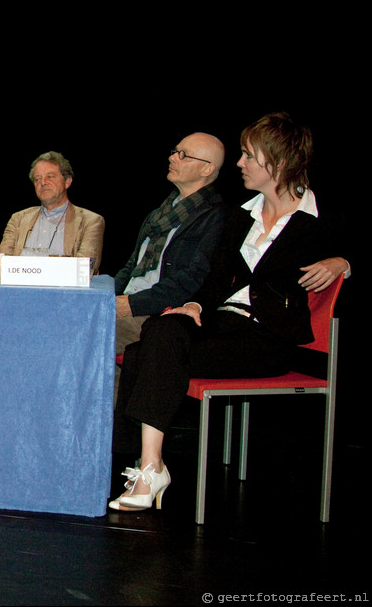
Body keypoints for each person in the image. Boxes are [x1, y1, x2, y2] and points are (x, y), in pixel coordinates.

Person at [110, 113, 350, 512]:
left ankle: (145, 465)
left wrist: (343, 261)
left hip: (268, 337)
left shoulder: (320, 218)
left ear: (277, 162)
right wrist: (194, 304)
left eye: (248, 155)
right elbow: (216, 279)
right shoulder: (242, 216)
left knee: (144, 353)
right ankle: (151, 465)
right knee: (164, 330)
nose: (239, 164)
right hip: (222, 322)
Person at [113, 134, 227, 352]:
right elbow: (130, 267)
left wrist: (131, 305)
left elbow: (193, 278)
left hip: (157, 313)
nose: (173, 158)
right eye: (175, 151)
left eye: (183, 155)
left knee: (73, 334)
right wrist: (105, 296)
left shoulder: (216, 217)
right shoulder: (159, 214)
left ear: (207, 169)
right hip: (128, 303)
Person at [0, 151, 104, 274]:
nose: (43, 182)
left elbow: (83, 270)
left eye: (50, 176)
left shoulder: (90, 221)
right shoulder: (18, 219)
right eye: (38, 179)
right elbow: (0, 264)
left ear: (67, 181)